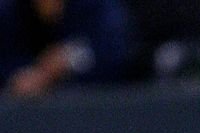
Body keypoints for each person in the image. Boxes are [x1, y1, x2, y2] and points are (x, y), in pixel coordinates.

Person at [0, 0, 136, 96]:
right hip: (26, 116)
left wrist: (69, 60)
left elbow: (115, 52)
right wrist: (31, 75)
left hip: (93, 107)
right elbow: (8, 62)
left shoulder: (95, 7)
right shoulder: (9, 11)